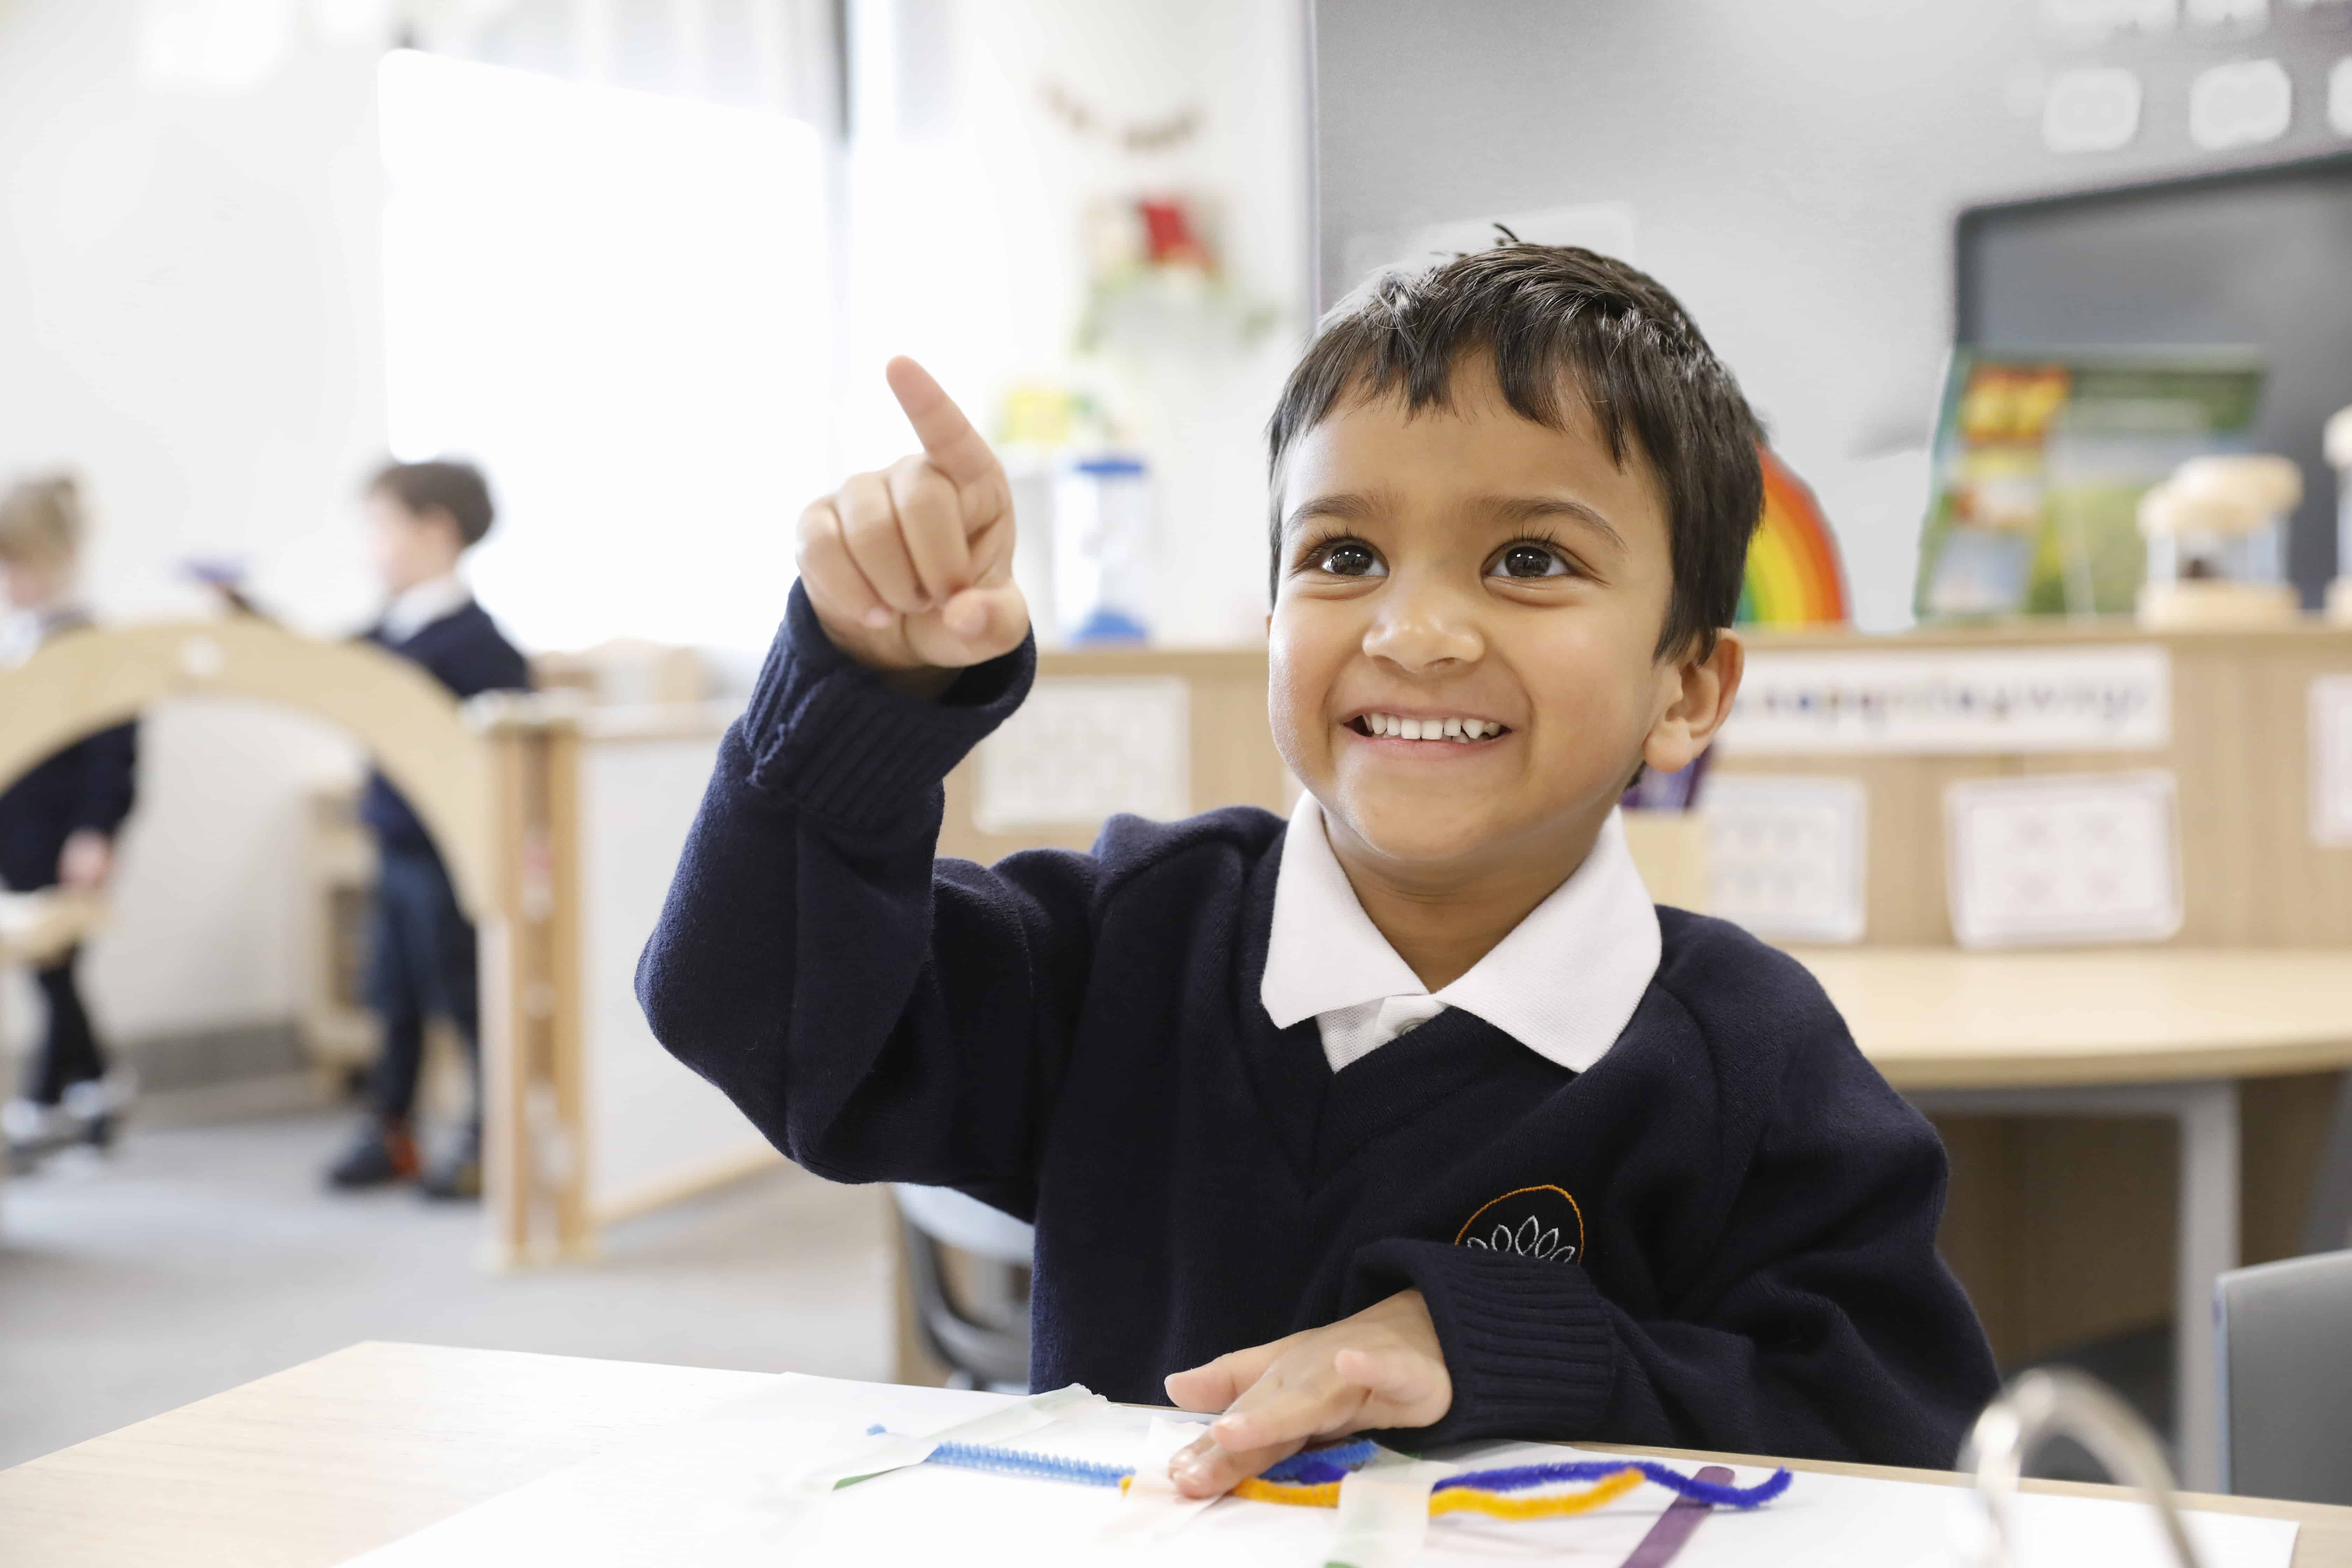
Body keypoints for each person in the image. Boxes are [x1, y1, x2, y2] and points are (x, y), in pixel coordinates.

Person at [637, 246, 1999, 1489]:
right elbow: (755, 1016)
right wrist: (860, 694)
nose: (1413, 631)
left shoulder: (1751, 1060)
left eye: (1529, 559)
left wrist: (1484, 1344)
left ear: (1688, 688)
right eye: (1345, 554)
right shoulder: (1132, 938)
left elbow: (1897, 1435)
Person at [325, 458, 529, 1199]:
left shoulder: (479, 644)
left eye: (384, 528)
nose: (373, 548)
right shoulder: (387, 630)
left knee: (467, 995)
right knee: (393, 993)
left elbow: (509, 750)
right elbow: (323, 667)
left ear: (437, 531)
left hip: (455, 856)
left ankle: (487, 1138)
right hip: (394, 842)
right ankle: (392, 1128)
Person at [0, 474, 138, 1160]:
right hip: (17, 832)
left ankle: (49, 1100)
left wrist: (96, 831)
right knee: (47, 967)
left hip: (65, 834)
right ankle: (91, 1090)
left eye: (18, 564)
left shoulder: (91, 645)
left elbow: (115, 754)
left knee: (55, 965)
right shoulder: (22, 640)